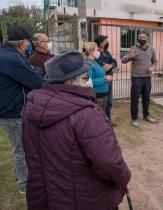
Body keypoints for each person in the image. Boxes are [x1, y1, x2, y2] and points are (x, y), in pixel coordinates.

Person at [22, 50, 131, 210]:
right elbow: (109, 162)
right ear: (70, 82)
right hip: (85, 199)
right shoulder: (86, 114)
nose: (89, 82)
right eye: (86, 77)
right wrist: (124, 177)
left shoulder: (30, 108)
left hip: (45, 197)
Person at [0, 26, 43, 193]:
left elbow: (33, 73)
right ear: (20, 42)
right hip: (12, 110)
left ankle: (27, 177)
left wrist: (35, 72)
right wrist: (35, 73)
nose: (28, 45)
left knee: (25, 146)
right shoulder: (10, 58)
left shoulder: (13, 55)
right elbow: (36, 81)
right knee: (20, 148)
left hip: (16, 107)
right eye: (27, 42)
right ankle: (24, 184)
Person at [122, 30, 158, 128]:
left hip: (147, 78)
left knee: (146, 98)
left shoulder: (151, 49)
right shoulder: (133, 48)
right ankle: (134, 118)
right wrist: (130, 56)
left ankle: (146, 115)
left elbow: (155, 61)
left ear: (147, 38)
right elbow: (123, 60)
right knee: (135, 99)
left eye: (143, 37)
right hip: (136, 78)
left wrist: (153, 67)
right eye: (140, 37)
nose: (141, 39)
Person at [94, 35, 117, 125]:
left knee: (109, 101)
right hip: (102, 81)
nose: (107, 43)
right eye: (105, 41)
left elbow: (114, 61)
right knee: (102, 103)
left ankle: (108, 119)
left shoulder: (107, 52)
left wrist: (110, 66)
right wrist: (104, 66)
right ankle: (102, 121)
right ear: (100, 43)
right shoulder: (95, 53)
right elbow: (97, 65)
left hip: (109, 79)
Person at [83, 42, 109, 113]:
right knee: (98, 116)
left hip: (101, 94)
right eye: (97, 50)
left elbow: (96, 73)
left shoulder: (93, 61)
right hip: (97, 95)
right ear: (91, 51)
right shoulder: (88, 63)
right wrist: (105, 79)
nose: (98, 52)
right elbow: (89, 81)